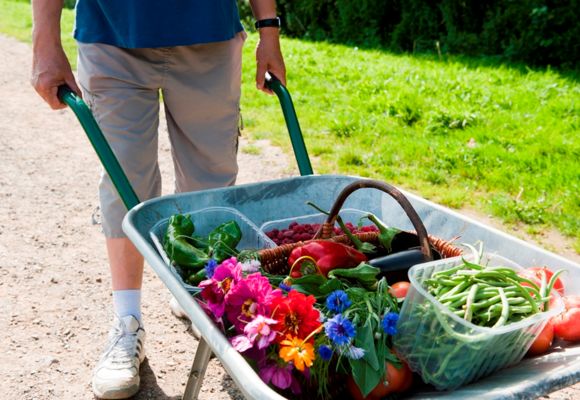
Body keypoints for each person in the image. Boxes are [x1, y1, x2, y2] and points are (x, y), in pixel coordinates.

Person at [30, 1, 286, 399]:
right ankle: (127, 322)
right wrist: (44, 39)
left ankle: (202, 296)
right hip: (112, 34)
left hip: (210, 35)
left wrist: (268, 30)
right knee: (124, 181)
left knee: (211, 187)